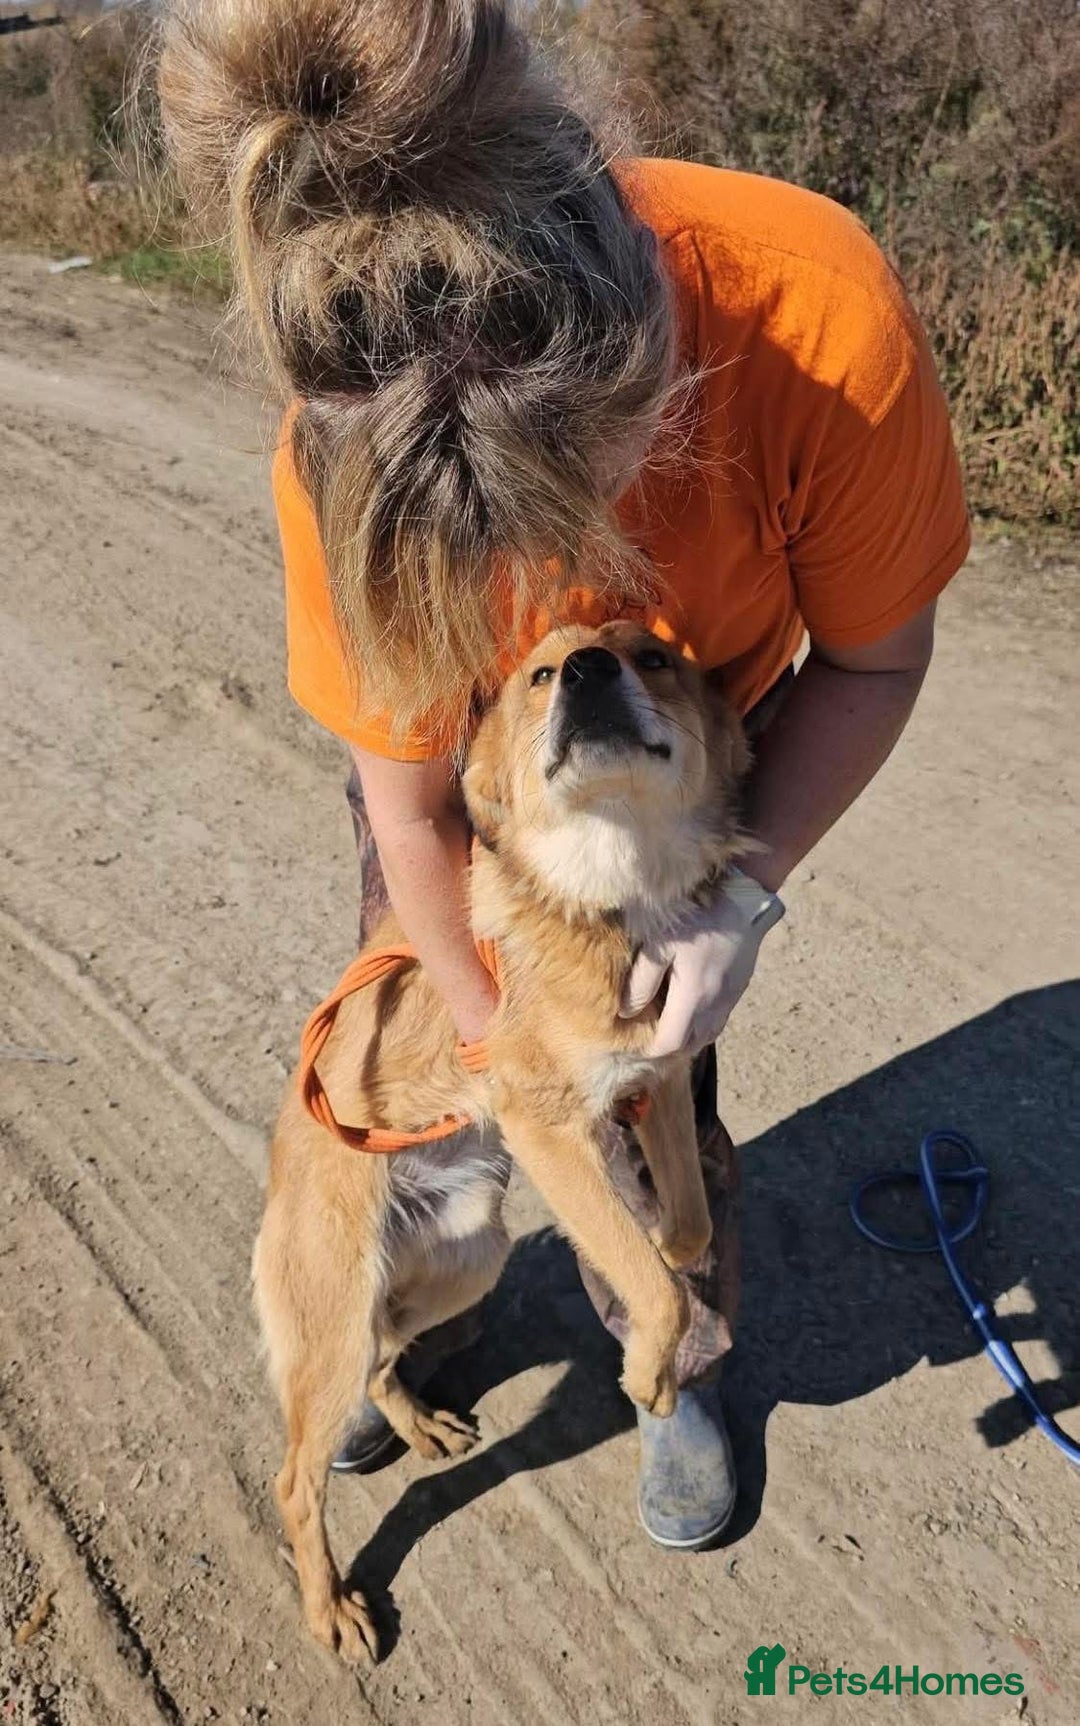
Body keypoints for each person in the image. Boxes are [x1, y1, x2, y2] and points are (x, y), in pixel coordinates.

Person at [158, 0, 970, 1551]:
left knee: (662, 1047)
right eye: (488, 558)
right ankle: (411, 1301)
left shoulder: (819, 325)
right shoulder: (333, 458)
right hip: (474, 767)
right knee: (447, 1040)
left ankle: (675, 1355)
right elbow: (407, 804)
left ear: (650, 363)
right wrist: (496, 1037)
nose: (567, 587)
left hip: (691, 736)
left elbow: (872, 660)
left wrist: (737, 890)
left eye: (579, 509)